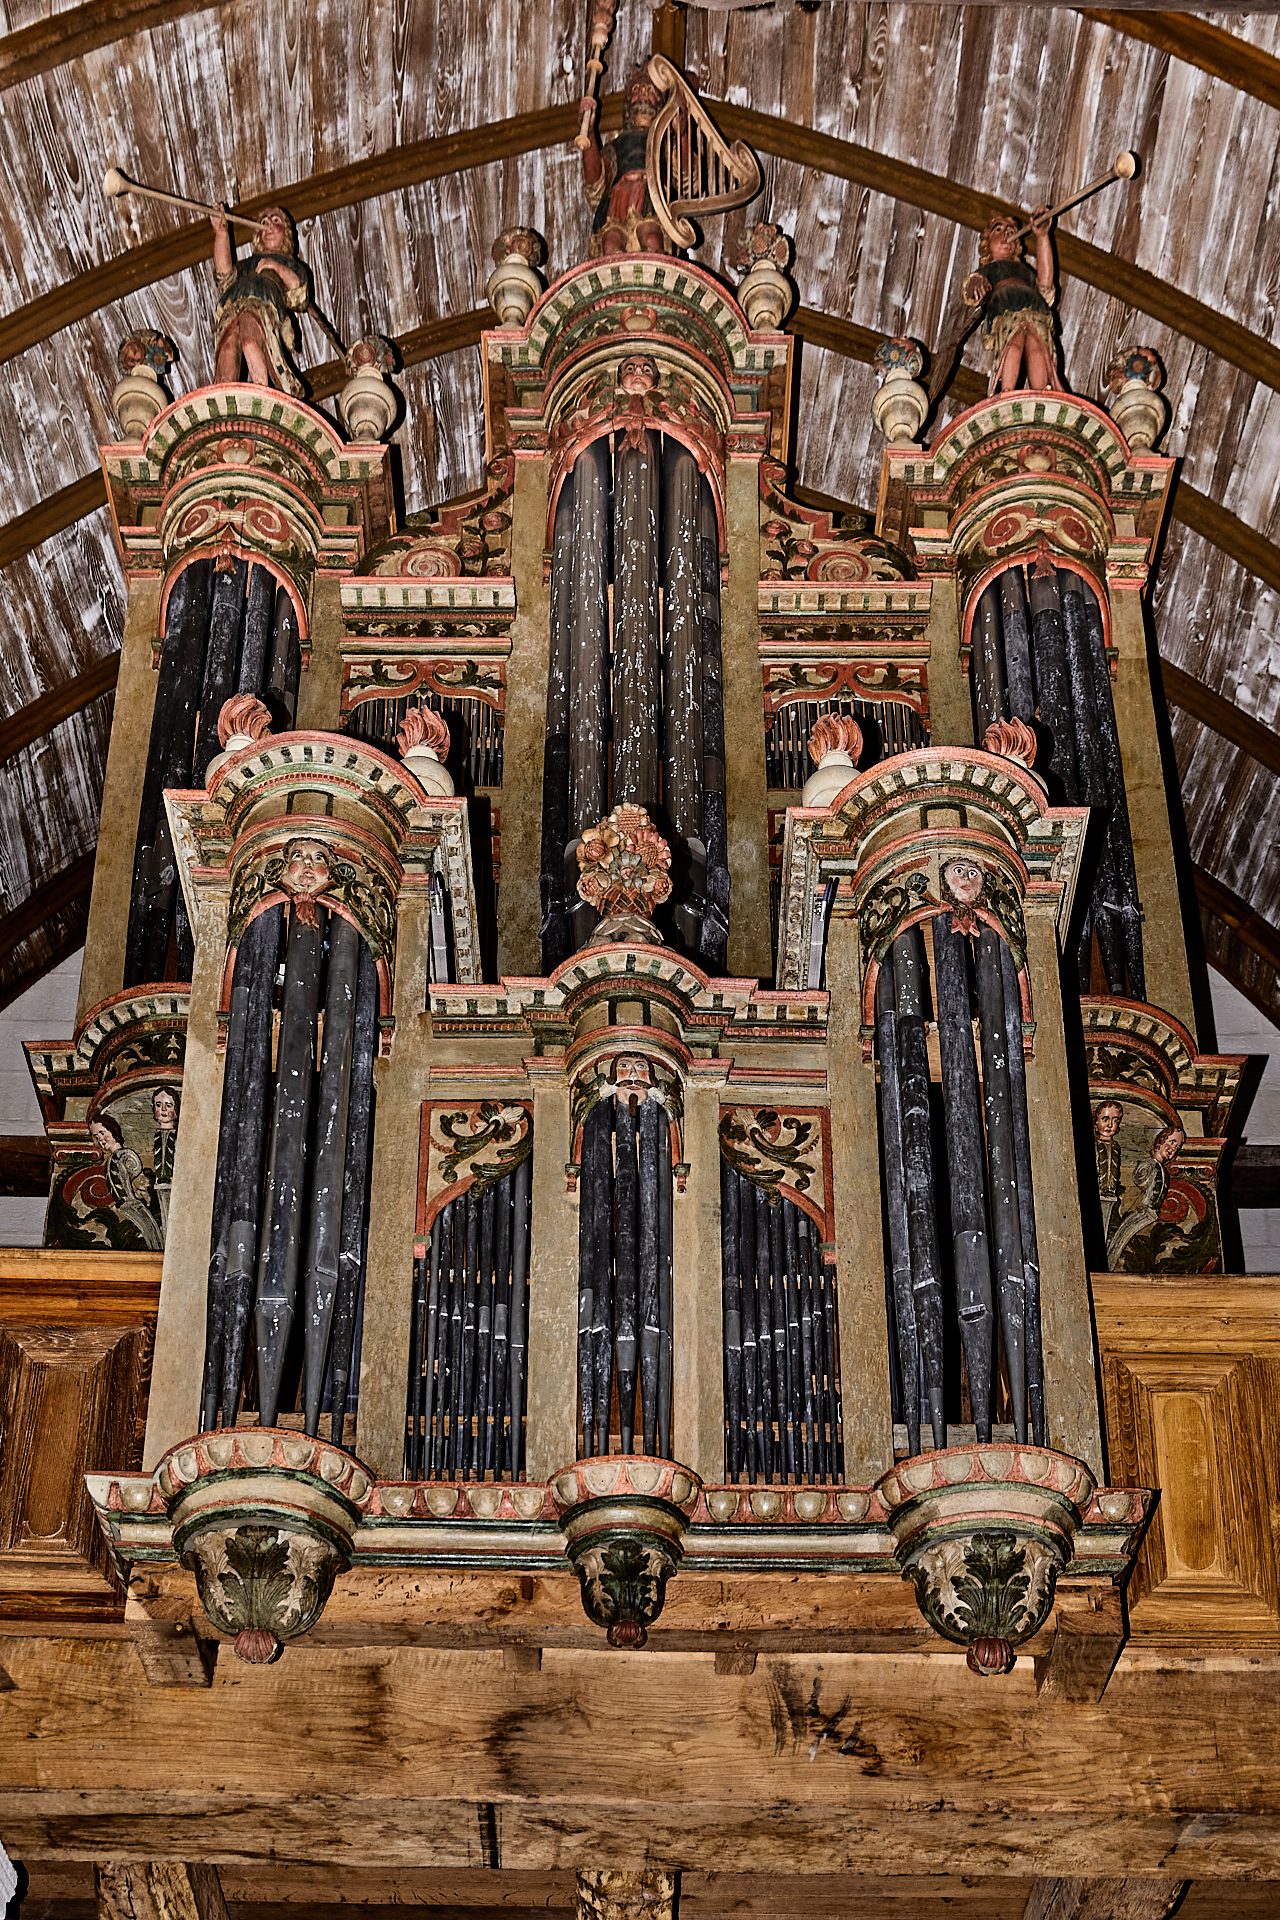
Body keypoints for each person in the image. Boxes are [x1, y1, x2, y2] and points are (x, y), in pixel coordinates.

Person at [210, 204, 310, 394]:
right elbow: (225, 277)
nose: (269, 225)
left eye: (275, 220)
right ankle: (222, 397)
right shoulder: (248, 264)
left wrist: (276, 267)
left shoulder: (290, 264)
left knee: (250, 340)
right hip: (233, 306)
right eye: (263, 222)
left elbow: (299, 296)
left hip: (263, 306)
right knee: (228, 348)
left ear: (286, 232)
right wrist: (221, 233)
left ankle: (262, 393)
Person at [964, 208, 1062, 394]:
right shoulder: (991, 268)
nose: (1006, 234)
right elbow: (972, 290)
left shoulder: (1024, 271)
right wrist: (976, 282)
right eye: (998, 230)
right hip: (1006, 308)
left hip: (1035, 308)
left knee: (1038, 348)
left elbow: (1046, 283)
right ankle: (1006, 391)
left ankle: (1043, 392)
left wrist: (1042, 237)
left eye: (1010, 232)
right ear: (987, 243)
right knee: (1012, 346)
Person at [579, 66, 667, 258]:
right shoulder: (616, 145)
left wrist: (682, 132)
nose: (643, 93)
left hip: (652, 199)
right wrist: (590, 131)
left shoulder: (664, 142)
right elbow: (595, 182)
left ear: (660, 103)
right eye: (637, 89)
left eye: (650, 90)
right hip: (617, 200)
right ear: (628, 102)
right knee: (610, 244)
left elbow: (685, 177)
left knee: (652, 239)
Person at [89, 1112, 163, 1252]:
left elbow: (137, 1173)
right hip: (126, 1206)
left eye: (102, 1133)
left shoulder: (123, 1155)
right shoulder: (114, 1158)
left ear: (113, 1130)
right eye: (97, 1137)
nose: (101, 1140)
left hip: (133, 1204)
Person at [151, 1088, 180, 1241]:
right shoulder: (157, 1135)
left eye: (168, 1105)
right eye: (158, 1105)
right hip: (159, 1183)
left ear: (176, 1109)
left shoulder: (177, 1135)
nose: (162, 1109)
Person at [1093, 1100, 1124, 1241]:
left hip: (1111, 1193)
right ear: (1096, 1123)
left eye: (1115, 1120)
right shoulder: (1096, 1145)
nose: (1110, 1125)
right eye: (1105, 1119)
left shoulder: (1116, 1146)